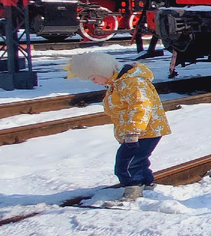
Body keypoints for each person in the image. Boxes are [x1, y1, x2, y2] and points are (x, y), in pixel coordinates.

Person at [66, 51, 171, 200]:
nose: (95, 82)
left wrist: (133, 131)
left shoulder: (132, 82)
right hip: (142, 130)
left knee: (125, 163)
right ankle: (146, 184)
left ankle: (133, 189)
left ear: (102, 70)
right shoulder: (119, 83)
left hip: (144, 131)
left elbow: (141, 107)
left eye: (93, 78)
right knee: (138, 160)